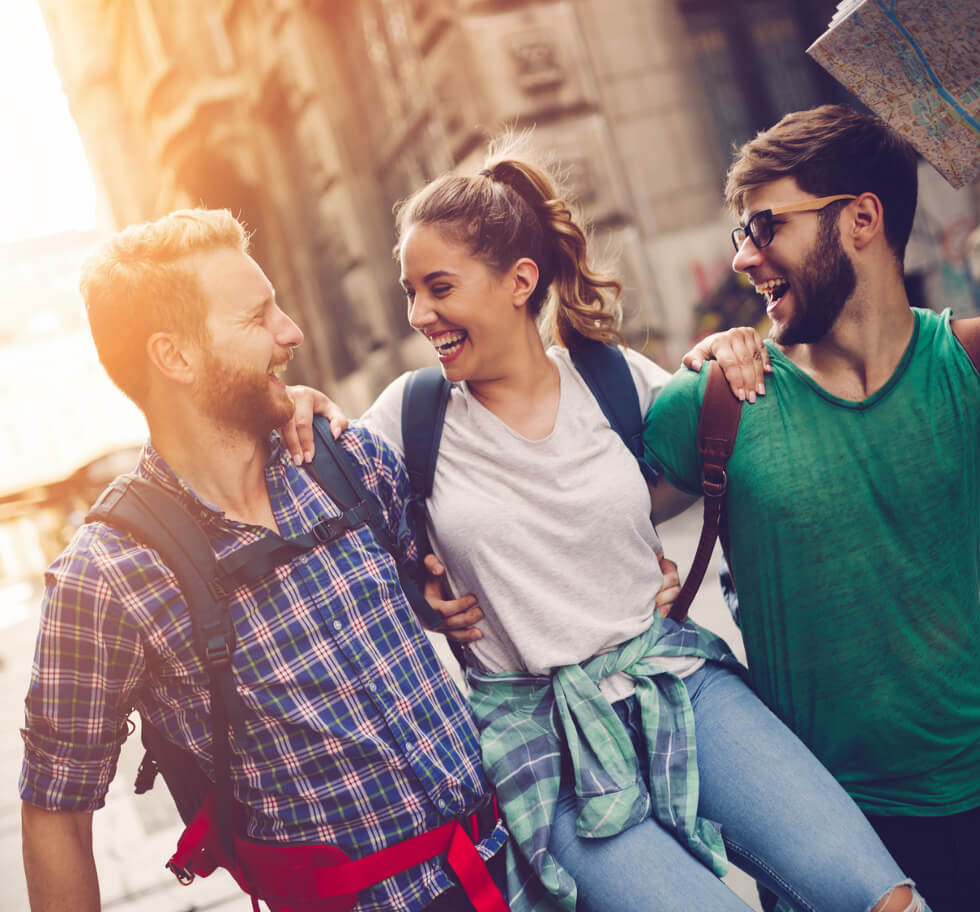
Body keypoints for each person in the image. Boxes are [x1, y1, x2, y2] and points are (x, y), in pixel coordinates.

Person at [347, 137, 926, 912]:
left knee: (882, 897)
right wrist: (407, 575)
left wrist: (731, 348)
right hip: (540, 741)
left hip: (677, 684)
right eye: (410, 292)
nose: (421, 315)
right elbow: (328, 538)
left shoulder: (613, 380)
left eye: (439, 287)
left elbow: (723, 452)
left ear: (520, 282)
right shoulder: (408, 416)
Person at [18, 209, 509, 912]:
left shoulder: (345, 460)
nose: (291, 332)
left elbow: (468, 562)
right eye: (257, 318)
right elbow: (53, 816)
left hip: (518, 866)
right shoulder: (107, 576)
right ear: (176, 356)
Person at [644, 103, 980, 911]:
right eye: (739, 234)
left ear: (862, 218)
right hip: (826, 839)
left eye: (765, 226)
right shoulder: (714, 403)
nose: (743, 259)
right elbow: (562, 498)